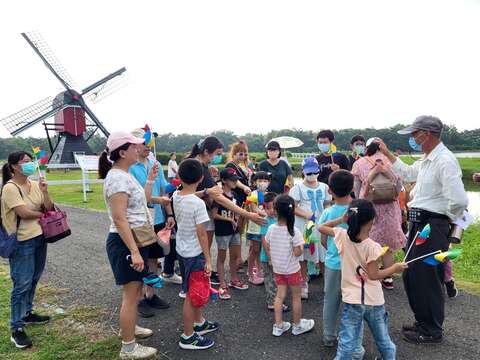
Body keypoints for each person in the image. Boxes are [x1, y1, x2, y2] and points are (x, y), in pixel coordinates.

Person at [376, 115, 469, 344]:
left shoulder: (444, 161)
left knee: (426, 276)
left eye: (415, 134)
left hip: (432, 224)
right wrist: (388, 153)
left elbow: (459, 200)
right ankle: (423, 321)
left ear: (426, 134)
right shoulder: (429, 159)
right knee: (413, 274)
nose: (413, 138)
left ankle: (431, 329)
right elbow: (407, 173)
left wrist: (443, 218)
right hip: (421, 224)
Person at [319, 199, 407, 360]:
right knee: (383, 340)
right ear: (372, 220)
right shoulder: (373, 246)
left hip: (352, 301)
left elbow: (321, 227)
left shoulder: (343, 236)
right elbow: (374, 275)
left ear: (350, 217)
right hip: (373, 301)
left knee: (347, 343)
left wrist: (340, 220)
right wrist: (394, 269)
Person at [98, 132, 158, 359]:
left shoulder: (125, 174)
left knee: (135, 292)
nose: (139, 149)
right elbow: (120, 218)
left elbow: (139, 202)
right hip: (126, 242)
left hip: (133, 239)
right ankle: (128, 347)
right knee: (131, 295)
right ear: (122, 152)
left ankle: (130, 328)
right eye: (134, 146)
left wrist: (151, 180)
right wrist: (134, 251)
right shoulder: (117, 178)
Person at [186, 136, 265, 285]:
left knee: (204, 249)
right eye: (217, 153)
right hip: (198, 215)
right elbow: (218, 198)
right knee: (200, 249)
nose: (219, 156)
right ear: (206, 151)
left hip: (204, 213)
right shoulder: (196, 167)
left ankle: (202, 277)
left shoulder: (203, 166)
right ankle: (196, 282)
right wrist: (247, 214)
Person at [1, 151, 54, 349]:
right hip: (22, 241)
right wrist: (43, 213)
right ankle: (16, 328)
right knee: (21, 284)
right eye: (25, 161)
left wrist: (45, 191)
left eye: (31, 160)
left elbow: (48, 206)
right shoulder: (10, 187)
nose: (30, 164)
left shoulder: (34, 184)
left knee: (33, 279)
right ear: (14, 166)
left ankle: (27, 313)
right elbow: (23, 212)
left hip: (40, 237)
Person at [173, 159, 219, 350]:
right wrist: (208, 260)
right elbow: (202, 233)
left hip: (182, 251)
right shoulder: (197, 204)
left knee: (195, 289)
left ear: (179, 178)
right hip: (195, 254)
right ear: (201, 178)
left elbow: (188, 193)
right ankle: (188, 336)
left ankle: (199, 323)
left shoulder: (176, 195)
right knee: (192, 295)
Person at [129, 128, 175, 318]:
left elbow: (164, 189)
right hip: (140, 220)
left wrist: (169, 213)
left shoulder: (155, 162)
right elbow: (138, 196)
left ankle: (151, 294)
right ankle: (139, 299)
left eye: (149, 143)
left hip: (158, 218)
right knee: (140, 261)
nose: (148, 146)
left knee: (154, 258)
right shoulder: (130, 167)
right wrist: (159, 201)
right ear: (133, 145)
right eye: (143, 143)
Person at [351, 138, 406, 290]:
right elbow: (400, 186)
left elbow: (356, 190)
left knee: (371, 243)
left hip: (370, 209)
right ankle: (388, 278)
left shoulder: (359, 163)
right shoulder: (391, 162)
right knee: (387, 247)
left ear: (367, 148)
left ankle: (370, 275)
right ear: (382, 148)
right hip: (390, 210)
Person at [264, 195, 315, 337]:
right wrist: (299, 247)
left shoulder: (271, 229)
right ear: (292, 212)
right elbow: (298, 253)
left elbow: (267, 244)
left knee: (279, 297)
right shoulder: (294, 231)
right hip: (292, 270)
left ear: (275, 210)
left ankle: (279, 325)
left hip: (278, 269)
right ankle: (297, 325)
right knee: (296, 297)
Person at [318, 170, 354, 348]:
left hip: (333, 263)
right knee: (353, 304)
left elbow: (323, 240)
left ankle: (329, 337)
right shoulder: (358, 209)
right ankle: (351, 339)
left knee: (330, 301)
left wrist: (333, 250)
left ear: (330, 191)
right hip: (355, 266)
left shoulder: (327, 213)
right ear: (352, 187)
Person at [289, 157, 331, 299]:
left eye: (314, 172)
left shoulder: (324, 187)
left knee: (324, 255)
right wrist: (306, 214)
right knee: (304, 256)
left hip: (321, 225)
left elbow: (327, 204)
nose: (312, 175)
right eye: (308, 173)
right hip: (304, 226)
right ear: (303, 172)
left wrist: (327, 215)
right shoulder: (297, 188)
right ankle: (303, 284)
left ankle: (329, 284)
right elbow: (292, 206)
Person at [212, 168, 248, 300]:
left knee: (234, 257)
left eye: (236, 180)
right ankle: (222, 284)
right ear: (224, 181)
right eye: (232, 180)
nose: (235, 182)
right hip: (223, 231)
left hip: (234, 231)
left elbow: (238, 211)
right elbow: (214, 214)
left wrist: (238, 220)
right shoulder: (219, 196)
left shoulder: (235, 196)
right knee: (221, 258)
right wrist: (229, 219)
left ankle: (234, 279)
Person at [260, 192, 289, 311]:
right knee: (271, 280)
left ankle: (277, 299)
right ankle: (272, 302)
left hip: (279, 257)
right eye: (268, 208)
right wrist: (270, 258)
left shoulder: (282, 220)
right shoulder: (266, 222)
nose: (271, 211)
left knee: (278, 280)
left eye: (273, 207)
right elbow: (265, 242)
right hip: (268, 258)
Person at [246, 171, 271, 285]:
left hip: (265, 226)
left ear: (269, 182)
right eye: (260, 181)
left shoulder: (269, 194)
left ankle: (259, 270)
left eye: (265, 181)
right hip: (255, 226)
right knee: (254, 250)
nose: (262, 183)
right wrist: (266, 213)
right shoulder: (253, 194)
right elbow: (253, 209)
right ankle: (250, 273)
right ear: (255, 182)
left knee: (261, 250)